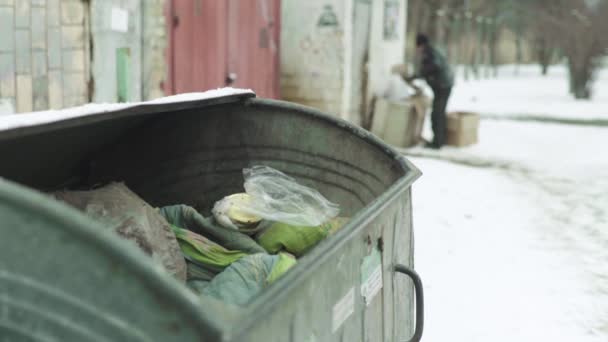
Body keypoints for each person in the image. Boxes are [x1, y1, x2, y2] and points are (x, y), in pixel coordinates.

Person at [393, 33, 454, 149]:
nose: (417, 50)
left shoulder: (429, 53)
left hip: (442, 86)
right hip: (445, 85)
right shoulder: (432, 50)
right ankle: (440, 140)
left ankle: (437, 143)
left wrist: (416, 75)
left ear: (420, 45)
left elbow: (433, 67)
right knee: (439, 113)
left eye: (417, 47)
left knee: (437, 114)